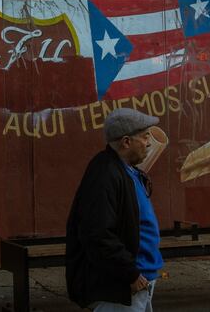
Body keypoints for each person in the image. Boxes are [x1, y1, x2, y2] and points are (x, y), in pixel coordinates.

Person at [66, 108, 164, 312]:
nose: (148, 143)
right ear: (126, 142)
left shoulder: (126, 169)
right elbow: (97, 234)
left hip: (140, 277)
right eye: (145, 136)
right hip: (121, 285)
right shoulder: (105, 174)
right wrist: (130, 273)